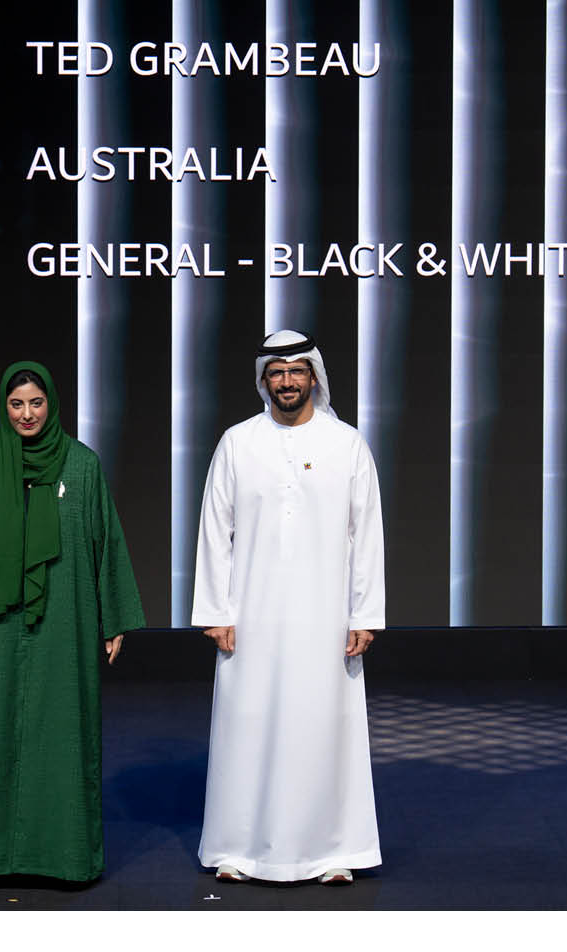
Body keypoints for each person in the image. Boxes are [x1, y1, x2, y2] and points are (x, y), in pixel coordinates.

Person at [0, 361, 146, 883]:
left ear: (53, 406)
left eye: (37, 403)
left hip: (65, 625)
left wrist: (113, 619)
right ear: (5, 406)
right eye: (17, 403)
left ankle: (65, 857)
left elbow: (105, 542)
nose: (27, 414)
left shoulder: (82, 466)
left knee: (64, 729)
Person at [191, 330, 387, 884]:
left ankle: (332, 851)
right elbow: (214, 528)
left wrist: (364, 614)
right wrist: (216, 610)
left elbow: (366, 532)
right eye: (276, 373)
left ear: (314, 377)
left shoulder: (346, 443)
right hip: (250, 617)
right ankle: (237, 848)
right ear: (263, 380)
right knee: (245, 723)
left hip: (326, 617)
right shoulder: (238, 442)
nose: (286, 382)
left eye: (297, 371)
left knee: (324, 725)